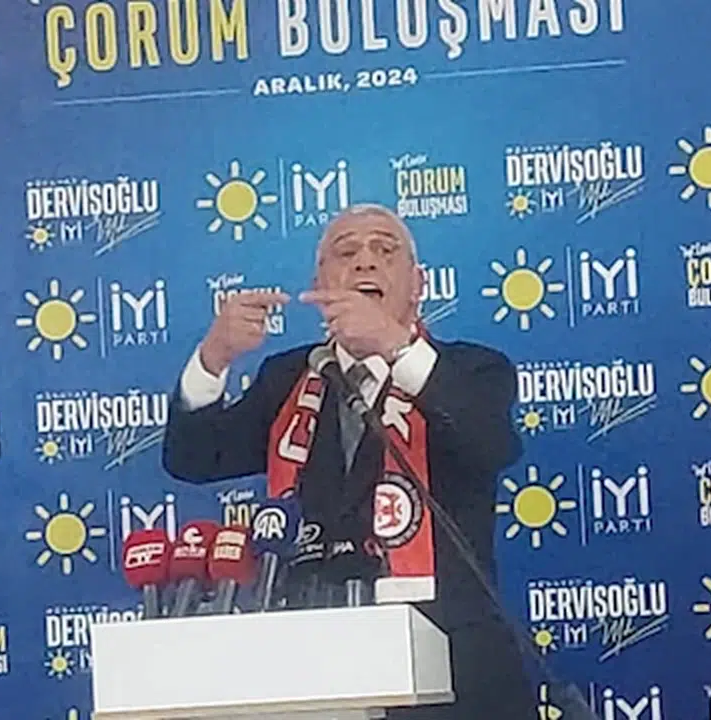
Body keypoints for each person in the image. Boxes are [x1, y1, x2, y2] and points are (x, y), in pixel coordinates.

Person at [162, 203, 541, 718]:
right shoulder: (287, 377)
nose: (365, 261)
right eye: (346, 253)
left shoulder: (474, 369)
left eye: (385, 250)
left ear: (418, 285)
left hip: (457, 674)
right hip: (318, 666)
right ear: (319, 284)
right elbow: (192, 458)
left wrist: (393, 344)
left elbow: (491, 444)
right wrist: (214, 357)